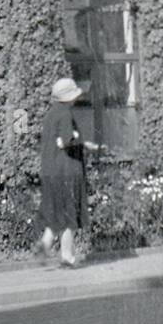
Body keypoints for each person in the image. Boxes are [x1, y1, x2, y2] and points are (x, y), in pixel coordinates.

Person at [37, 77, 99, 268]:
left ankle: (45, 244)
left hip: (50, 170)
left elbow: (54, 141)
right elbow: (65, 141)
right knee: (70, 215)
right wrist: (83, 143)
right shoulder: (65, 114)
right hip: (67, 170)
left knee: (57, 212)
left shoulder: (50, 115)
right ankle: (67, 256)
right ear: (69, 97)